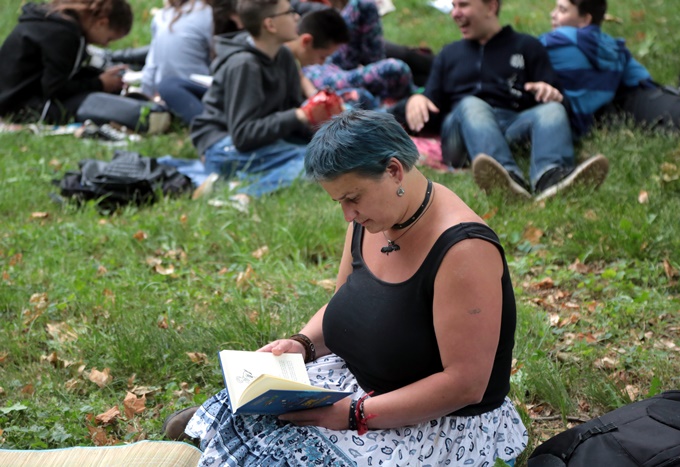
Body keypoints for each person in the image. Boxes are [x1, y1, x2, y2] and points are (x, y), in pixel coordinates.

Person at [164, 110, 528, 465]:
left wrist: (356, 414)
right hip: (359, 384)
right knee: (253, 418)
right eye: (339, 202)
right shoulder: (374, 218)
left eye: (352, 198)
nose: (347, 215)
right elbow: (348, 304)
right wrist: (302, 344)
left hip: (437, 422)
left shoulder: (463, 250)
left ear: (394, 170)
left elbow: (465, 385)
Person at [404, 0, 609, 202]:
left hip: (511, 125)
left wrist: (551, 94)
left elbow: (561, 106)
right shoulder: (449, 54)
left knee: (553, 109)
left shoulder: (527, 46)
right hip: (461, 135)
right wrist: (417, 99)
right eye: (453, 6)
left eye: (463, 5)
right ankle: (506, 178)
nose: (455, 13)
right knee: (471, 104)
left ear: (491, 7)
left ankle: (551, 177)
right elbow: (431, 103)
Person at [188, 0, 315, 198]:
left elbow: (291, 114)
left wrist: (321, 123)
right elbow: (243, 135)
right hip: (222, 145)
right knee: (315, 164)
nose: (297, 17)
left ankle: (231, 182)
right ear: (270, 24)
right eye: (289, 12)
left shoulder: (283, 55)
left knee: (327, 154)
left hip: (263, 141)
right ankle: (241, 195)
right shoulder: (244, 65)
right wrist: (298, 115)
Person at [541, 0, 680, 136]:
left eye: (562, 10)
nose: (553, 14)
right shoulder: (614, 48)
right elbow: (643, 80)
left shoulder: (555, 42)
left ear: (585, 19)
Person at [0, 0, 133, 124]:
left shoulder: (52, 22)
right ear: (101, 23)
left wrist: (99, 76)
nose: (105, 45)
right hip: (19, 108)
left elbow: (62, 73)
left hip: (11, 97)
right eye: (109, 39)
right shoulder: (64, 35)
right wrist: (100, 84)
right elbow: (56, 89)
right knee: (93, 103)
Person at [302, 0, 415, 103]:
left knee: (364, 4)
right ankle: (410, 97)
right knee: (395, 68)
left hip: (322, 50)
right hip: (319, 74)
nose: (294, 17)